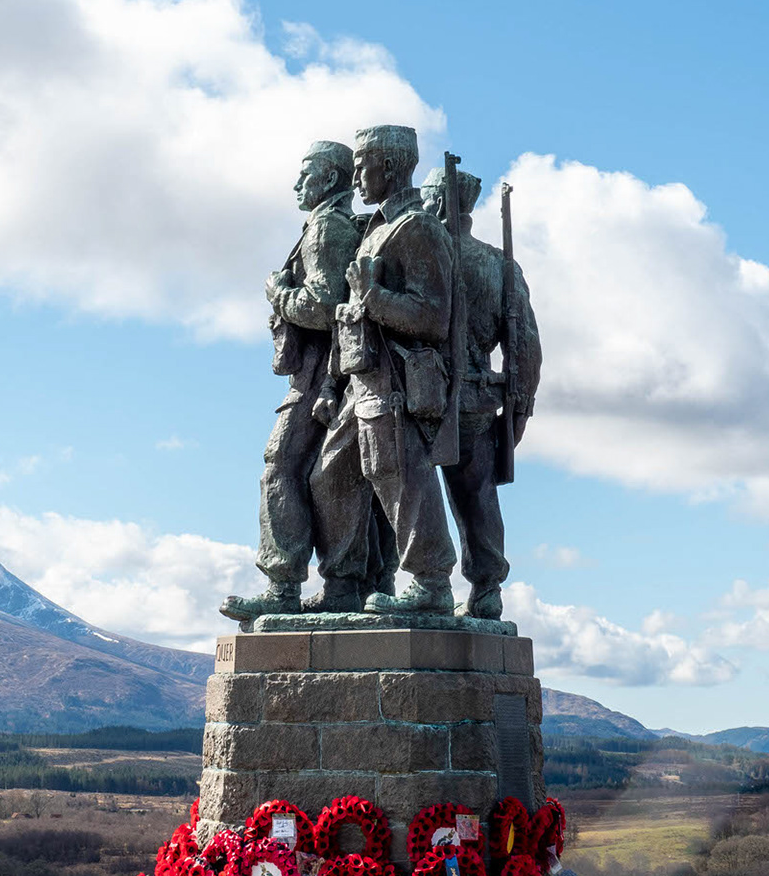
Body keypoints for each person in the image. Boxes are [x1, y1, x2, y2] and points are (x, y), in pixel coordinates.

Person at [311, 124, 459, 615]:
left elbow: (434, 316)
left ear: (390, 167)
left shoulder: (417, 228)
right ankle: (343, 586)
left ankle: (432, 583)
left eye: (361, 165)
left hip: (395, 380)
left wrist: (374, 297)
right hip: (360, 379)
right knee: (330, 477)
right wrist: (334, 380)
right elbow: (348, 312)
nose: (355, 176)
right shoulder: (375, 228)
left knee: (401, 475)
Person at [220, 141, 362, 622]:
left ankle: (284, 585)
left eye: (305, 174)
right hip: (325, 372)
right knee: (330, 477)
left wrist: (279, 293)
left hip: (322, 373)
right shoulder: (329, 225)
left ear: (327, 179)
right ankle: (341, 582)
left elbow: (323, 308)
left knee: (281, 467)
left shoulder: (326, 228)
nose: (297, 184)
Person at [420, 166, 541, 619]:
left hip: (424, 395)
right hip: (476, 397)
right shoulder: (500, 265)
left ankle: (423, 582)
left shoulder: (425, 252)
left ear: (437, 201)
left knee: (408, 492)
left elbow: (524, 345)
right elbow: (526, 350)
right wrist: (518, 411)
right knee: (477, 497)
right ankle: (486, 587)